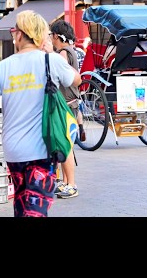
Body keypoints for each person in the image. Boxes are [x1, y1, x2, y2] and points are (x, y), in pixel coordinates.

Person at [0, 10, 81, 218]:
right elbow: (76, 80)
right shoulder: (51, 61)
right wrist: (52, 54)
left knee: (21, 207)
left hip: (13, 151)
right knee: (34, 212)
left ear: (19, 34)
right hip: (42, 150)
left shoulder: (1, 68)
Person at [47, 19, 85, 199]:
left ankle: (71, 184)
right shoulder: (72, 50)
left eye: (51, 35)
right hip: (72, 102)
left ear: (56, 36)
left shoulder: (62, 52)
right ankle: (65, 181)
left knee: (65, 145)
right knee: (65, 143)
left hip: (66, 103)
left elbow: (61, 75)